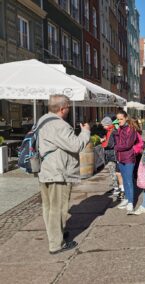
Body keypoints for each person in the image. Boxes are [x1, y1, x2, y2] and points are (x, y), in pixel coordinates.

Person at [37, 94, 90, 254]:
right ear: (62, 108)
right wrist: (85, 132)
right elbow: (76, 146)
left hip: (46, 169)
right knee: (58, 208)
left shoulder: (43, 120)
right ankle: (56, 244)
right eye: (68, 106)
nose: (69, 109)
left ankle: (56, 233)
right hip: (59, 171)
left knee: (48, 207)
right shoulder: (60, 125)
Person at [114, 110, 138, 215]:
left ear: (126, 118)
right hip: (120, 158)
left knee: (129, 181)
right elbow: (117, 141)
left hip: (128, 158)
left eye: (121, 119)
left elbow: (128, 144)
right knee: (124, 180)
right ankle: (127, 199)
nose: (119, 121)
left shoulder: (131, 129)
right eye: (118, 119)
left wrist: (115, 147)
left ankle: (131, 203)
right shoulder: (119, 129)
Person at [100, 117, 119, 195]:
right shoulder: (111, 130)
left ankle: (116, 189)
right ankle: (116, 187)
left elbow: (110, 144)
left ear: (107, 124)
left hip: (112, 155)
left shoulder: (112, 131)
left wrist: (103, 143)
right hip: (112, 154)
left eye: (104, 125)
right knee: (114, 171)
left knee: (113, 171)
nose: (103, 127)